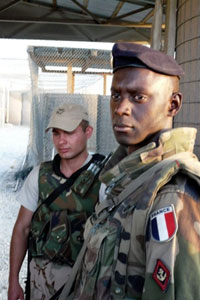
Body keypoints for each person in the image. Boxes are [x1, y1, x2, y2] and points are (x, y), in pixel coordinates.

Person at [64, 43, 200, 300]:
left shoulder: (171, 194)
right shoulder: (125, 176)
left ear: (173, 105)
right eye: (116, 95)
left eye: (139, 97)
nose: (121, 108)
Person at [8, 103, 106, 300]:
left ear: (88, 132)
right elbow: (22, 228)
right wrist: (13, 281)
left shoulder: (103, 177)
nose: (61, 141)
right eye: (56, 133)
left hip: (85, 285)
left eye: (69, 133)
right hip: (41, 286)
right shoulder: (40, 175)